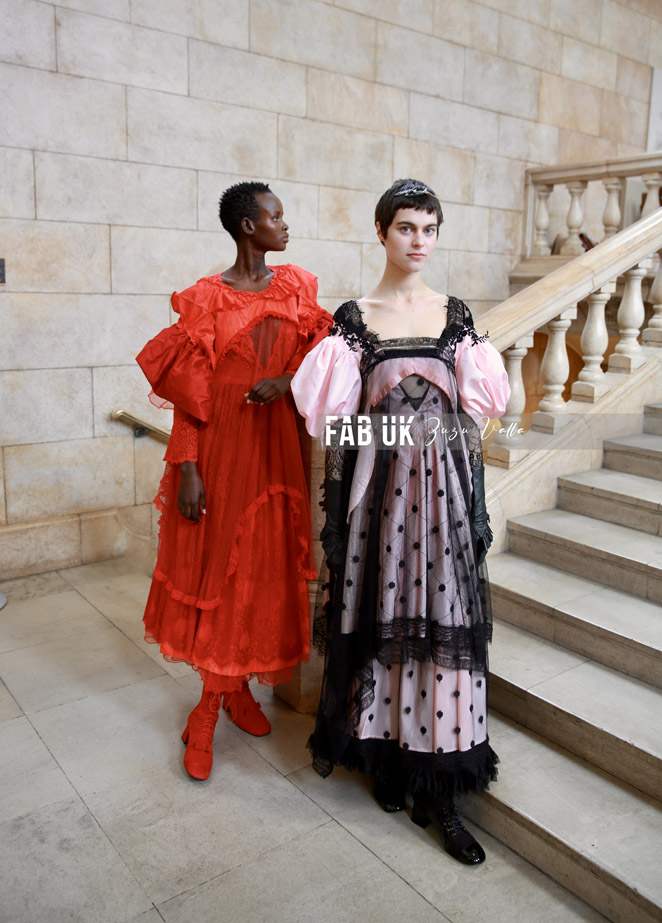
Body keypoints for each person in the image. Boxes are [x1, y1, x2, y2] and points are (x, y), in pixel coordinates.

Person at [291, 179, 509, 865]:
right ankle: (387, 758)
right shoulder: (354, 321)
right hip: (380, 503)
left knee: (441, 629)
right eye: (407, 227)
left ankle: (440, 795)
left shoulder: (454, 316)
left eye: (429, 229)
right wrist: (340, 510)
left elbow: (472, 421)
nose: (419, 241)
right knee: (384, 622)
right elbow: (338, 428)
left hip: (442, 503)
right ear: (382, 232)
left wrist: (474, 503)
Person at [136, 182, 332, 781]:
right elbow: (189, 399)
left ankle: (236, 689)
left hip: (275, 453)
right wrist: (188, 469)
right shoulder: (205, 299)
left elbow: (323, 355)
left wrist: (288, 378)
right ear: (248, 226)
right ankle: (207, 711)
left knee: (261, 572)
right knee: (219, 574)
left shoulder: (297, 287)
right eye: (276, 216)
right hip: (221, 452)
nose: (285, 225)